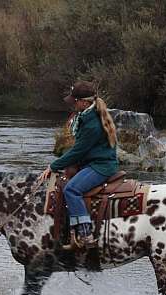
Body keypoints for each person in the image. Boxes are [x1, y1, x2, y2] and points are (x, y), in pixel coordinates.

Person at [38, 81, 118, 249]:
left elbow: (77, 152)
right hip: (94, 162)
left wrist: (53, 166)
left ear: (84, 102)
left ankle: (85, 233)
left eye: (74, 101)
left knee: (72, 190)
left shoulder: (92, 124)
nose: (73, 104)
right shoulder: (89, 116)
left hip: (100, 166)